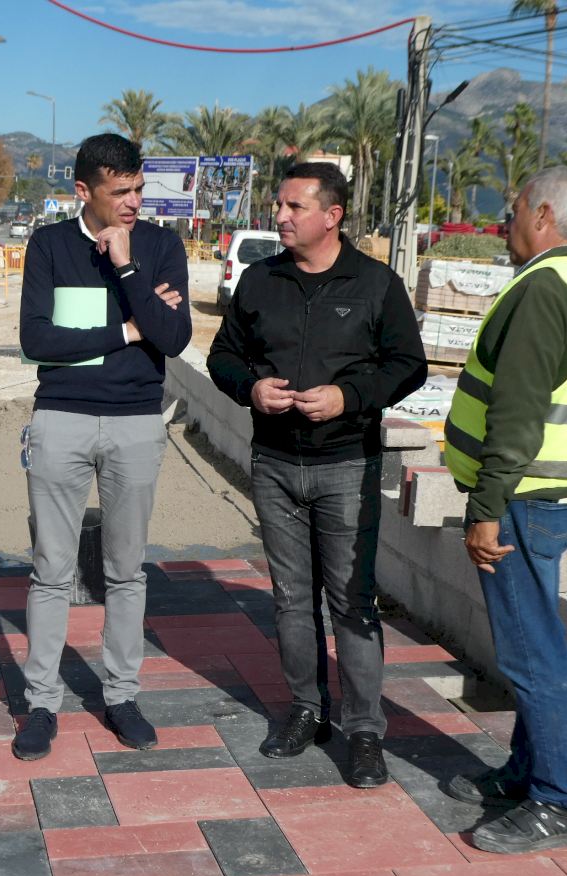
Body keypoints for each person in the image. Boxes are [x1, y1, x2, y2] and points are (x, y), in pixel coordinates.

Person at [207, 162, 427, 788]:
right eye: (279, 204)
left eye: (293, 206)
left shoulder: (377, 284)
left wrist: (348, 397)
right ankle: (307, 710)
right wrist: (251, 389)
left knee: (352, 602)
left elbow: (407, 364)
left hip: (346, 466)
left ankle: (365, 732)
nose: (279, 215)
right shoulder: (260, 280)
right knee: (290, 599)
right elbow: (223, 356)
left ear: (332, 216)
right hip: (274, 465)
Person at [443, 166, 567, 853]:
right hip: (555, 494)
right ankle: (527, 771)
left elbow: (519, 412)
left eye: (516, 208)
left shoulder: (545, 289)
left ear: (545, 214)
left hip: (520, 499)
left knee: (532, 655)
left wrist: (485, 508)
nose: (507, 221)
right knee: (538, 642)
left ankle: (558, 801)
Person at [14, 133, 192, 760]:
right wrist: (129, 328)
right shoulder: (50, 245)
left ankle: (122, 697)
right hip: (59, 419)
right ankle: (41, 704)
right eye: (120, 192)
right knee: (51, 570)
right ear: (83, 191)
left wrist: (127, 266)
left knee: (126, 571)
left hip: (136, 423)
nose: (134, 201)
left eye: (139, 188)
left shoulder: (161, 247)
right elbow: (38, 341)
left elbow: (174, 338)